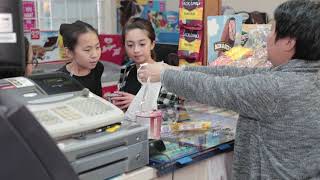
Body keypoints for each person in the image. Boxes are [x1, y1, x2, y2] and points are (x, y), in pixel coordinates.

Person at [138, 0, 320, 179]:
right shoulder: (308, 77)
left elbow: (219, 88)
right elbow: (234, 73)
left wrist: (164, 75)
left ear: (288, 42)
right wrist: (178, 70)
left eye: (272, 30)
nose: (267, 37)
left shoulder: (278, 87)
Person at [111, 17, 179, 111]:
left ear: (152, 44)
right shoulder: (126, 71)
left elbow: (170, 112)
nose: (136, 50)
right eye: (130, 45)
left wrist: (138, 103)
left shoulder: (166, 73)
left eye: (142, 44)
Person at [58, 20, 104, 97]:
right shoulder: (61, 79)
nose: (95, 55)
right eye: (87, 50)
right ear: (69, 52)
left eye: (97, 47)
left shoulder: (98, 68)